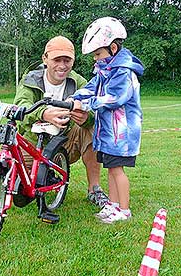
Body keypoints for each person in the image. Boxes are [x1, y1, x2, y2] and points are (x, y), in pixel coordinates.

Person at [13, 35, 109, 208]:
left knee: (93, 127)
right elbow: (21, 107)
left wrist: (88, 118)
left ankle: (94, 189)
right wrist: (44, 113)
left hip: (65, 143)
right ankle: (40, 177)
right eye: (57, 59)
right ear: (45, 58)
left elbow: (96, 106)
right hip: (34, 145)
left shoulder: (79, 82)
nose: (62, 66)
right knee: (20, 190)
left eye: (67, 60)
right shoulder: (30, 80)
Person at [70, 17, 144, 224]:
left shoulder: (123, 72)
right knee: (110, 169)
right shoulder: (105, 70)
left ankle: (124, 210)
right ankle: (112, 205)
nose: (95, 59)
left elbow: (115, 97)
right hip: (108, 133)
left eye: (97, 54)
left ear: (113, 48)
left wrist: (86, 104)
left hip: (122, 134)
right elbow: (92, 86)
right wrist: (74, 98)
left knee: (117, 171)